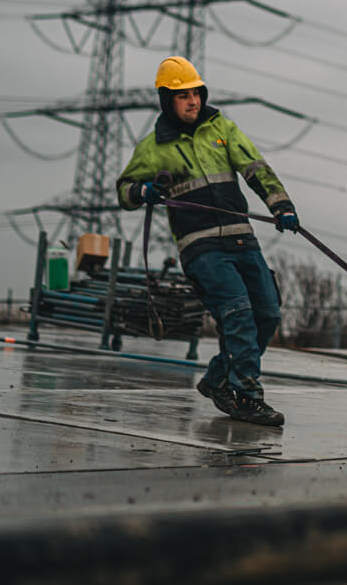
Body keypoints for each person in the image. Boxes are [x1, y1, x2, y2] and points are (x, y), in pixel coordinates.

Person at [117, 56, 299, 427]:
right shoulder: (153, 147)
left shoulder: (222, 129)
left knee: (267, 313)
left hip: (242, 240)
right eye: (183, 96)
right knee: (239, 315)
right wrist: (142, 190)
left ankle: (218, 378)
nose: (193, 102)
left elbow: (256, 168)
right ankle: (246, 396)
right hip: (201, 248)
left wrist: (281, 205)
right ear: (167, 100)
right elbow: (123, 191)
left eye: (196, 93)